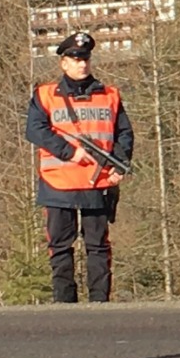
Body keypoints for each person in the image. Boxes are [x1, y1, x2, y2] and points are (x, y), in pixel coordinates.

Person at [25, 31, 134, 303]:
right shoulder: (44, 95)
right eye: (75, 59)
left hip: (98, 184)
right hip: (58, 183)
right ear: (64, 63)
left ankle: (100, 304)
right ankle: (64, 305)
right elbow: (35, 130)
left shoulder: (110, 95)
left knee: (98, 247)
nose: (81, 64)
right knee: (60, 248)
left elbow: (124, 134)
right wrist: (69, 153)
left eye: (85, 58)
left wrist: (120, 165)